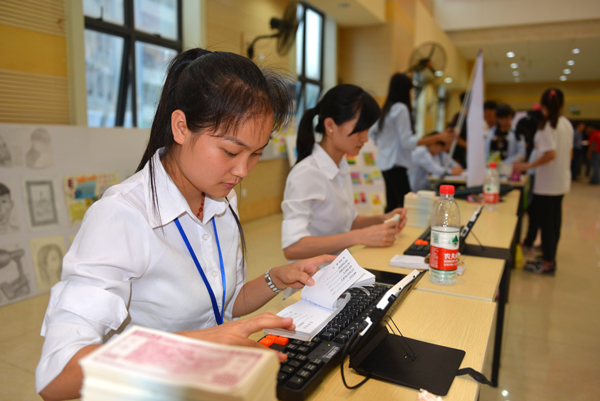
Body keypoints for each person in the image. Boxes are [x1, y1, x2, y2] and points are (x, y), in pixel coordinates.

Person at [35, 48, 336, 400]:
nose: (243, 171)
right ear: (180, 127)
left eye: (256, 153)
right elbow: (56, 376)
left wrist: (275, 278)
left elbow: (219, 305)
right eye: (230, 152)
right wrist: (196, 345)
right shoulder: (121, 216)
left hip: (213, 382)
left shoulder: (221, 197)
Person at [281, 84, 407, 261]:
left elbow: (350, 222)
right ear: (330, 125)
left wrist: (383, 219)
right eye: (359, 129)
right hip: (312, 279)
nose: (365, 138)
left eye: (367, 129)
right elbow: (292, 247)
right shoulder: (307, 173)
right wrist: (359, 237)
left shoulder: (340, 166)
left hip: (338, 272)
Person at [368, 73, 453, 211]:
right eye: (411, 90)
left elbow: (372, 132)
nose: (412, 93)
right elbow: (407, 142)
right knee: (407, 207)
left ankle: (387, 232)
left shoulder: (387, 109)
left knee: (392, 206)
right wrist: (437, 137)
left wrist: (385, 146)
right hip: (396, 165)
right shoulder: (401, 108)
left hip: (386, 164)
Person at [513, 88, 573, 275]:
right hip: (561, 181)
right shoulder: (566, 124)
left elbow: (550, 154)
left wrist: (528, 166)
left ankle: (548, 263)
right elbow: (568, 154)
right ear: (562, 104)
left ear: (542, 105)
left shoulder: (548, 126)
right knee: (554, 222)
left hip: (547, 184)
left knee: (546, 224)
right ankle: (549, 256)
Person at [485, 103, 526, 169]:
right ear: (497, 118)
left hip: (509, 167)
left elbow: (521, 153)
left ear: (511, 117)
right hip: (491, 166)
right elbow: (486, 150)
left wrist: (507, 163)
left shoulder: (517, 132)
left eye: (506, 117)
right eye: (501, 118)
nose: (504, 120)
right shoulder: (491, 132)